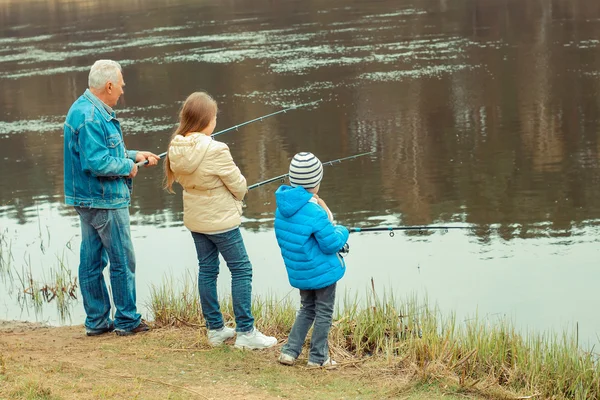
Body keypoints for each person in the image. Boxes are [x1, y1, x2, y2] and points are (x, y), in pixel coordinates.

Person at [164, 91, 277, 349]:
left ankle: (215, 330)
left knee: (207, 270)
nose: (215, 120)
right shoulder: (216, 149)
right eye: (214, 117)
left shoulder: (176, 147)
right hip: (221, 221)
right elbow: (239, 186)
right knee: (242, 269)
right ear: (207, 120)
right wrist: (238, 192)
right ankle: (246, 332)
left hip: (196, 219)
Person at [63, 59, 160, 336]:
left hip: (87, 199)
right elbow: (96, 162)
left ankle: (97, 321)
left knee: (92, 261)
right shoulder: (93, 117)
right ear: (108, 85)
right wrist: (128, 167)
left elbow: (102, 152)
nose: (122, 90)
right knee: (121, 261)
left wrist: (134, 155)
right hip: (103, 200)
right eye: (120, 85)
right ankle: (127, 321)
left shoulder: (83, 108)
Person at [274, 152, 350, 367]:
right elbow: (331, 243)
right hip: (322, 272)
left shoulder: (282, 209)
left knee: (307, 309)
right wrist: (344, 231)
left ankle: (290, 351)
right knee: (324, 311)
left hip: (300, 270)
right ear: (316, 182)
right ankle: (318, 357)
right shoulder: (314, 211)